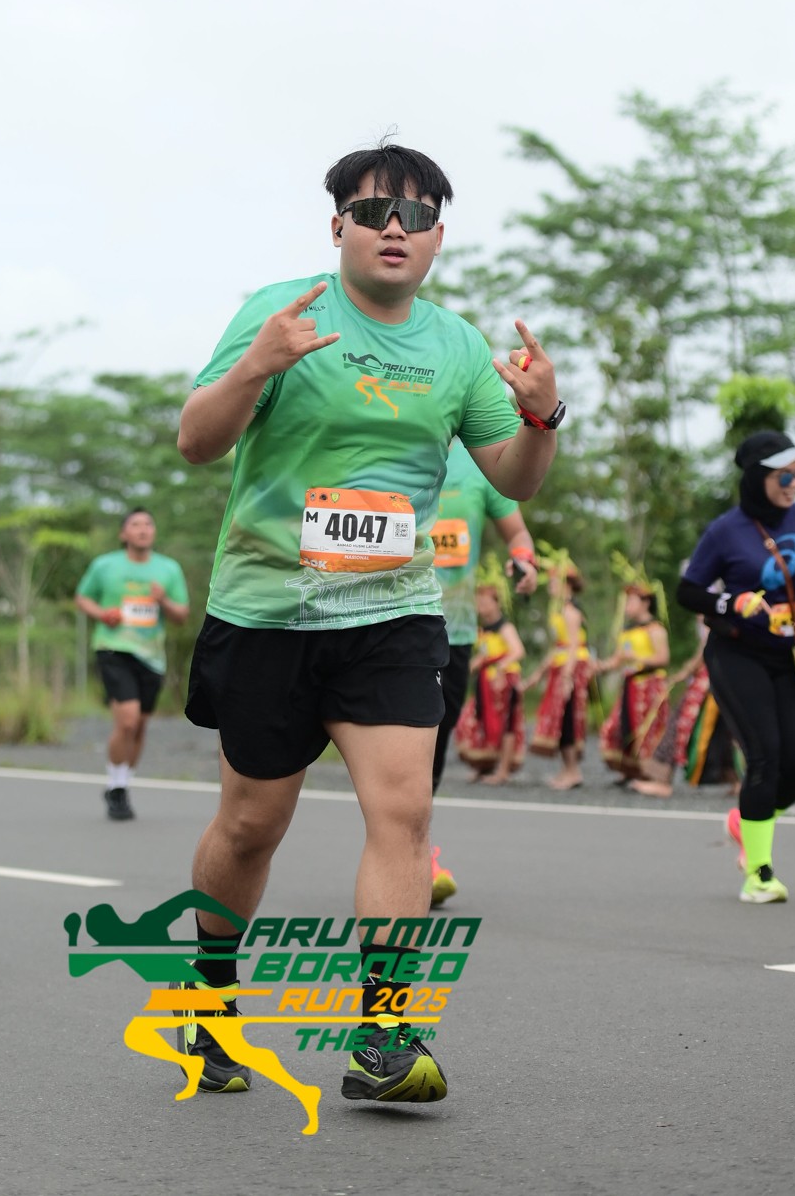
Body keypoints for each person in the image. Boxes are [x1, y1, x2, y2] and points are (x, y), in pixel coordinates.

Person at [175, 144, 560, 1105]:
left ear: (437, 236)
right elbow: (196, 442)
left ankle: (383, 1037)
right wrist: (255, 366)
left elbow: (511, 479)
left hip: (393, 613)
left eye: (417, 214)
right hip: (268, 612)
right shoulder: (285, 313)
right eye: (377, 209)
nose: (397, 226)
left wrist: (543, 419)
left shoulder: (458, 346)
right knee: (251, 825)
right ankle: (209, 1001)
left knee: (405, 812)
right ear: (338, 223)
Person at [676, 430, 795, 903]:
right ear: (756, 478)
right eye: (784, 476)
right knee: (764, 756)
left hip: (792, 655)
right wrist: (732, 602)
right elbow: (688, 592)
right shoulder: (725, 531)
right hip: (738, 654)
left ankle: (745, 822)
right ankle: (759, 873)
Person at [428, 440, 536, 902]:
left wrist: (524, 560)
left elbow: (518, 533)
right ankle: (414, 855)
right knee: (408, 740)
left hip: (454, 632)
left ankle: (412, 848)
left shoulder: (480, 460)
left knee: (434, 741)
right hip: (390, 624)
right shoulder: (396, 437)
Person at [76, 509, 190, 821]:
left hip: (152, 656)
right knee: (127, 720)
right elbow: (82, 598)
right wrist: (102, 614)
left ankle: (122, 784)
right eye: (135, 524)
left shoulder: (168, 568)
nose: (143, 529)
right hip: (113, 648)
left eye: (148, 524)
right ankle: (115, 786)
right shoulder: (105, 565)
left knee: (139, 725)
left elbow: (182, 616)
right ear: (123, 534)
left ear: (154, 532)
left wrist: (163, 600)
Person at [627, 622, 739, 798]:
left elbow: (708, 646)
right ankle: (738, 780)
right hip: (722, 677)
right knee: (725, 731)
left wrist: (688, 670)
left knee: (680, 725)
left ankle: (662, 780)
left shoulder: (716, 611)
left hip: (709, 681)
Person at [453, 571, 525, 786]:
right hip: (485, 683)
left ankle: (503, 770)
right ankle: (483, 765)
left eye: (485, 601)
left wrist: (500, 667)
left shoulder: (505, 627)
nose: (480, 605)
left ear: (497, 603)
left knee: (506, 725)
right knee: (474, 720)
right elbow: (484, 655)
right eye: (478, 601)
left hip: (503, 683)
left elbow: (517, 651)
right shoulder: (482, 629)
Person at [594, 577, 670, 782]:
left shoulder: (655, 629)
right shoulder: (627, 631)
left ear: (645, 603)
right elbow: (618, 660)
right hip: (630, 686)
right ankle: (629, 770)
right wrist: (600, 666)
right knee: (619, 727)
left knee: (645, 730)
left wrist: (636, 658)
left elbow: (663, 658)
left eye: (631, 600)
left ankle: (650, 774)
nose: (627, 605)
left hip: (648, 685)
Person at [525, 557, 590, 790]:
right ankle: (566, 769)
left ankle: (573, 771)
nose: (551, 587)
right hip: (561, 666)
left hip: (570, 669)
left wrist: (567, 677)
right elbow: (558, 647)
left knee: (568, 718)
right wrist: (538, 673)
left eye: (554, 582)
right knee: (560, 719)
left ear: (567, 585)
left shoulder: (571, 612)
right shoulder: (559, 611)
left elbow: (573, 647)